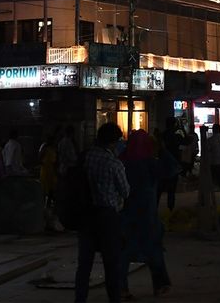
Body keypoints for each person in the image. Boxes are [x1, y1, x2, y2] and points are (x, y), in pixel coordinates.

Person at [74, 122, 129, 303]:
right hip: (108, 216)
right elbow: (125, 191)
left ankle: (80, 299)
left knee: (84, 264)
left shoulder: (85, 157)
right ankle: (114, 298)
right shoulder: (114, 163)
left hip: (86, 214)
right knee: (111, 263)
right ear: (113, 142)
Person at [118, 130, 172, 299]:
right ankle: (160, 285)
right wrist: (162, 149)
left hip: (125, 214)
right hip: (147, 214)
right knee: (153, 250)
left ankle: (122, 288)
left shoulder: (122, 161)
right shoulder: (150, 163)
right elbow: (172, 169)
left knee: (123, 253)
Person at [206, 125, 220, 203]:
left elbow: (207, 154)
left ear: (213, 130)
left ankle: (211, 201)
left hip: (214, 164)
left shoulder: (209, 141)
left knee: (211, 183)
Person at [39, 133, 58, 207]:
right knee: (44, 188)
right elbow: (40, 157)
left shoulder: (53, 148)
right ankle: (43, 204)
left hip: (51, 170)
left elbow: (55, 160)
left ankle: (48, 204)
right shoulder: (45, 147)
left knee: (52, 188)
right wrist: (43, 163)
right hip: (46, 170)